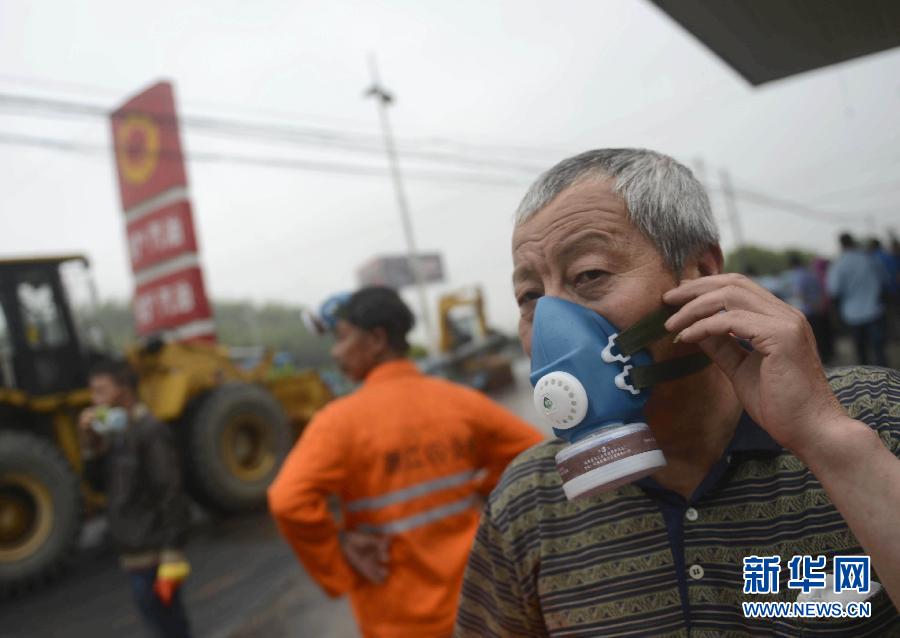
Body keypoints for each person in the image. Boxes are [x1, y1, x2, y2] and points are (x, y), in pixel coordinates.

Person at [454, 149, 900, 636]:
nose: (549, 326)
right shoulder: (527, 503)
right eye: (530, 296)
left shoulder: (876, 418)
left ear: (702, 273)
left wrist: (826, 438)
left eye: (589, 275)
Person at [268, 286, 543, 638]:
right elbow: (534, 452)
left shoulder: (338, 422)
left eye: (341, 338)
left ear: (376, 339)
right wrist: (479, 489)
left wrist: (338, 552)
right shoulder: (459, 402)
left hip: (396, 618)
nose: (336, 352)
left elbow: (288, 500)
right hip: (482, 606)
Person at [79, 360, 192, 638]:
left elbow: (170, 490)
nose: (95, 400)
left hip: (154, 553)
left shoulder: (149, 431)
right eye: (93, 392)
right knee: (156, 620)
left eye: (101, 391)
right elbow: (98, 484)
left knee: (169, 625)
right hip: (133, 551)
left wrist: (172, 553)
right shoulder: (116, 435)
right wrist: (90, 442)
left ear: (124, 390)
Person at [827, 233, 889, 366]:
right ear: (853, 241)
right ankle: (886, 380)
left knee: (862, 354)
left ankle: (867, 382)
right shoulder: (869, 259)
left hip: (852, 315)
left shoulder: (839, 265)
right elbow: (884, 282)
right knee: (879, 351)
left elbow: (834, 291)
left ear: (841, 244)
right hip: (875, 311)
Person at [783, 252, 832, 364]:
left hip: (808, 310)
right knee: (822, 336)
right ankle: (827, 356)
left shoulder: (797, 276)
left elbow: (800, 294)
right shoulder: (810, 273)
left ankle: (820, 361)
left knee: (813, 338)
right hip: (819, 309)